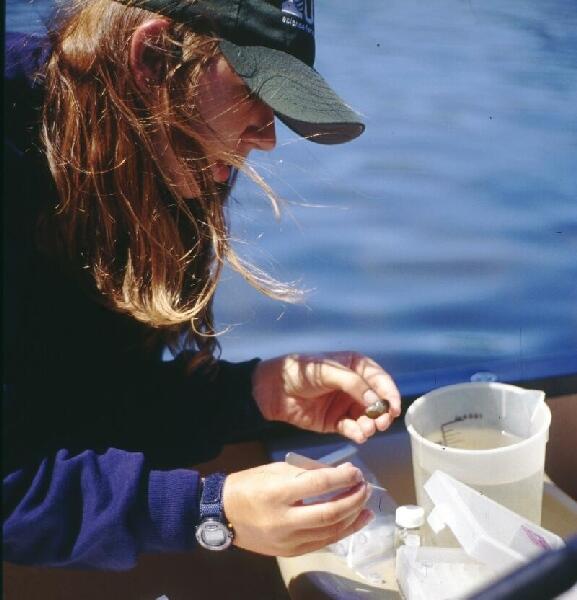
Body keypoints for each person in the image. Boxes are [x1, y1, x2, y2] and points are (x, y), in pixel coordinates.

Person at [3, 0, 401, 570]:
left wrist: (253, 393)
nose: (266, 136)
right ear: (153, 57)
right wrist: (210, 511)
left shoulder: (168, 149)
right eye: (254, 89)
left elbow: (86, 406)